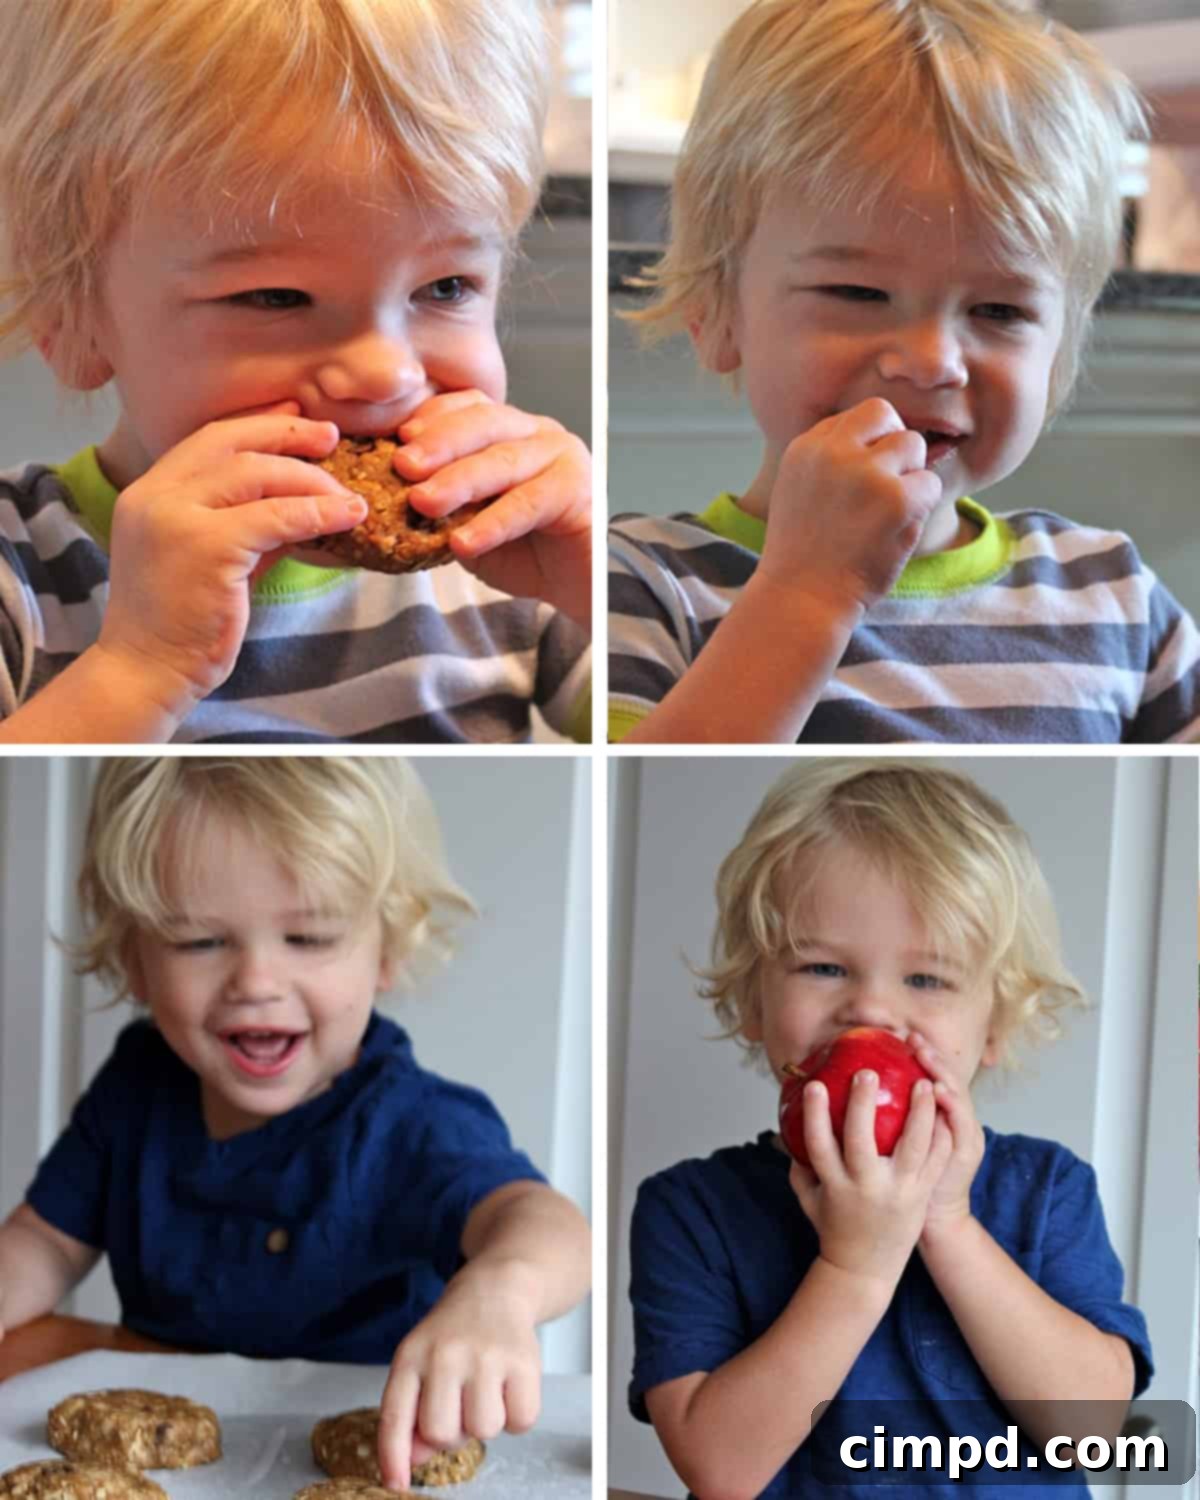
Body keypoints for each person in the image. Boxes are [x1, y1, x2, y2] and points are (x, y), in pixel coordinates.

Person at [608, 0, 1200, 744]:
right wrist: (806, 592)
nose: (931, 361)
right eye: (858, 293)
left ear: (1059, 353)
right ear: (716, 313)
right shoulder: (642, 586)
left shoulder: (1114, 597)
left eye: (1000, 311)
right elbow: (641, 796)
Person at [0, 0, 591, 744]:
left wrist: (597, 589)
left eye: (445, 288)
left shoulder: (521, 567)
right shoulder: (18, 580)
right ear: (71, 316)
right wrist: (138, 668)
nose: (384, 374)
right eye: (275, 296)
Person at [0, 757, 591, 1491]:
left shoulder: (410, 1124)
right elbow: (46, 1242)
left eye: (308, 939)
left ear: (389, 949)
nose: (256, 981)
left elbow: (544, 1223)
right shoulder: (137, 1088)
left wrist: (502, 1290)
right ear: (135, 957)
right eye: (199, 942)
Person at [628, 760, 1151, 1497]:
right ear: (753, 1000)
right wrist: (855, 1268)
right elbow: (720, 1471)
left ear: (995, 1025)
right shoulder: (692, 1209)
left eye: (927, 979)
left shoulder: (1047, 1190)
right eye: (821, 968)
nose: (870, 1011)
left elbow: (1097, 1433)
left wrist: (949, 1223)